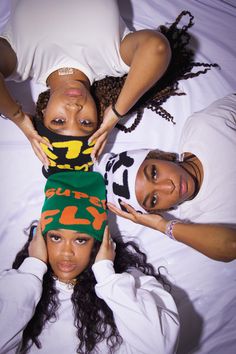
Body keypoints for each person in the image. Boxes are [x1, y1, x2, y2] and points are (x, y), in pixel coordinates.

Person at [0, 1, 217, 168]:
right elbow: (157, 48)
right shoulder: (113, 61)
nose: (74, 110)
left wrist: (18, 118)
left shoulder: (19, 62)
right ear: (98, 115)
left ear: (43, 113)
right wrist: (116, 113)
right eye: (86, 122)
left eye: (59, 121)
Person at [0, 170, 179, 354]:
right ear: (41, 239)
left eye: (80, 240)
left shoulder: (132, 285)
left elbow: (160, 349)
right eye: (56, 238)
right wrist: (33, 268)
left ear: (99, 242)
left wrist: (105, 273)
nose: (66, 252)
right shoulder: (14, 287)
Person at [94, 94, 236, 262]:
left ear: (159, 156)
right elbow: (231, 246)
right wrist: (161, 225)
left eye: (154, 173)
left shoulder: (204, 127)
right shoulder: (204, 223)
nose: (168, 187)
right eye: (153, 199)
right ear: (157, 211)